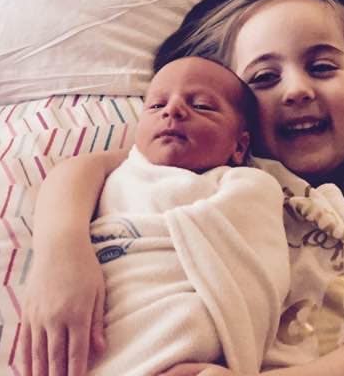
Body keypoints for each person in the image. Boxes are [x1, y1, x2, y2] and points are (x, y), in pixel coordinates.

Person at [20, 0, 344, 376]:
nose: (296, 90)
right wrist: (62, 255)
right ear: (238, 118)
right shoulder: (221, 165)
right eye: (264, 78)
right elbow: (87, 170)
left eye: (322, 67)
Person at [82, 56, 290, 376]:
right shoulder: (115, 178)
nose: (173, 110)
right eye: (156, 105)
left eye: (202, 106)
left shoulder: (247, 185)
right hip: (105, 339)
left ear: (239, 146)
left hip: (184, 355)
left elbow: (258, 277)